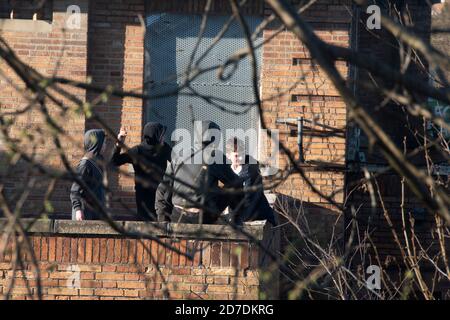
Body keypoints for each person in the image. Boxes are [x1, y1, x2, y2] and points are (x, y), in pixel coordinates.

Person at [155, 120, 243, 224]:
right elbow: (237, 183)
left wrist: (162, 218)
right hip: (204, 217)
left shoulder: (180, 155)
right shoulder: (215, 156)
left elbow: (161, 190)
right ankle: (236, 221)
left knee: (171, 184)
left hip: (177, 215)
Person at [111, 122, 171, 221]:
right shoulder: (138, 151)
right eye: (161, 135)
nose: (163, 138)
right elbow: (113, 162)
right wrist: (119, 143)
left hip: (162, 196)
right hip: (145, 197)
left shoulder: (164, 148)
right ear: (155, 136)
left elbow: (177, 162)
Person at [225, 137, 277, 225]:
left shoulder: (251, 169)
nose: (241, 158)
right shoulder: (228, 170)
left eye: (243, 154)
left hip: (257, 213)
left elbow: (247, 197)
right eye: (237, 155)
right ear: (228, 155)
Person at [70, 129, 107, 221]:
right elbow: (75, 190)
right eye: (104, 142)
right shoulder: (85, 164)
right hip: (84, 213)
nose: (105, 145)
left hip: (95, 211)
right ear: (96, 144)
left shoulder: (98, 162)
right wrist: (78, 210)